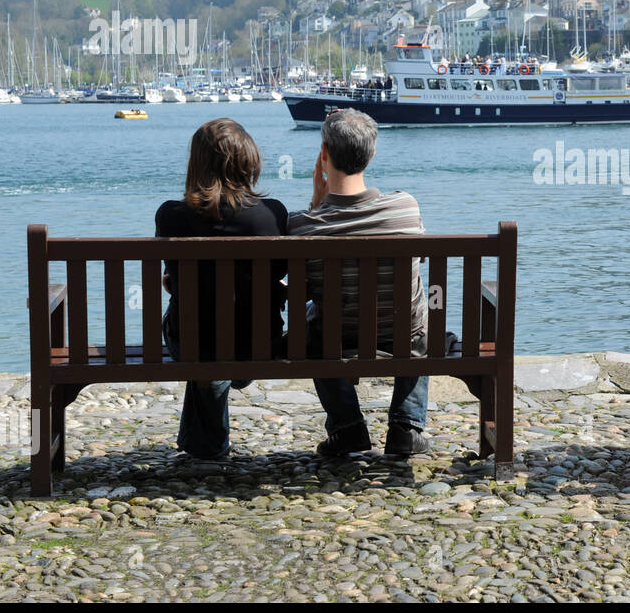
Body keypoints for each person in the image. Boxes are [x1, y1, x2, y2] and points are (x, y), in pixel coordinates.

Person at [287, 109, 432, 458]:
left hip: (335, 341)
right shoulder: (405, 208)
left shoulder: (302, 226)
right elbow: (420, 262)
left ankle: (348, 427)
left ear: (324, 154)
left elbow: (303, 288)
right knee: (420, 311)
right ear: (371, 154)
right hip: (402, 337)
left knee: (315, 325)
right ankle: (406, 426)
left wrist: (317, 203)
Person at [156, 118, 287, 458]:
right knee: (215, 328)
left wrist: (176, 284)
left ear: (196, 164)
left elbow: (173, 276)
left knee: (199, 326)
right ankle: (205, 442)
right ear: (250, 161)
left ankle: (207, 446)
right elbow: (280, 272)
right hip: (260, 340)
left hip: (193, 340)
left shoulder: (171, 215)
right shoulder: (272, 214)